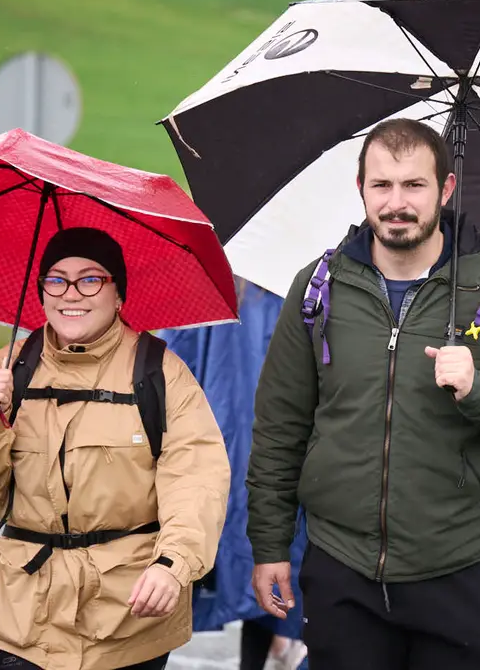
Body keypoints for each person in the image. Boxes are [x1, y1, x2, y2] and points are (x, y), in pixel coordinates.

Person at [246, 118, 480, 670]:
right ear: (361, 190)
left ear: (445, 189)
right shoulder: (319, 288)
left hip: (463, 569)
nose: (397, 203)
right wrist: (270, 546)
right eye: (383, 185)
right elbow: (281, 427)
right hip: (341, 568)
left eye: (414, 186)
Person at [0, 227, 231, 670]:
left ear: (118, 295)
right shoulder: (9, 368)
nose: (71, 293)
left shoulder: (160, 373)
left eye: (90, 279)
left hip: (125, 618)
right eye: (56, 279)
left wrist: (173, 563)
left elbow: (196, 481)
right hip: (22, 615)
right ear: (42, 292)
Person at [160, 279, 309, 670]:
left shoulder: (215, 284)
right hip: (241, 441)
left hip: (234, 438)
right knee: (266, 554)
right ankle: (279, 643)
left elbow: (173, 360)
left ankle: (276, 644)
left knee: (260, 557)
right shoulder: (278, 284)